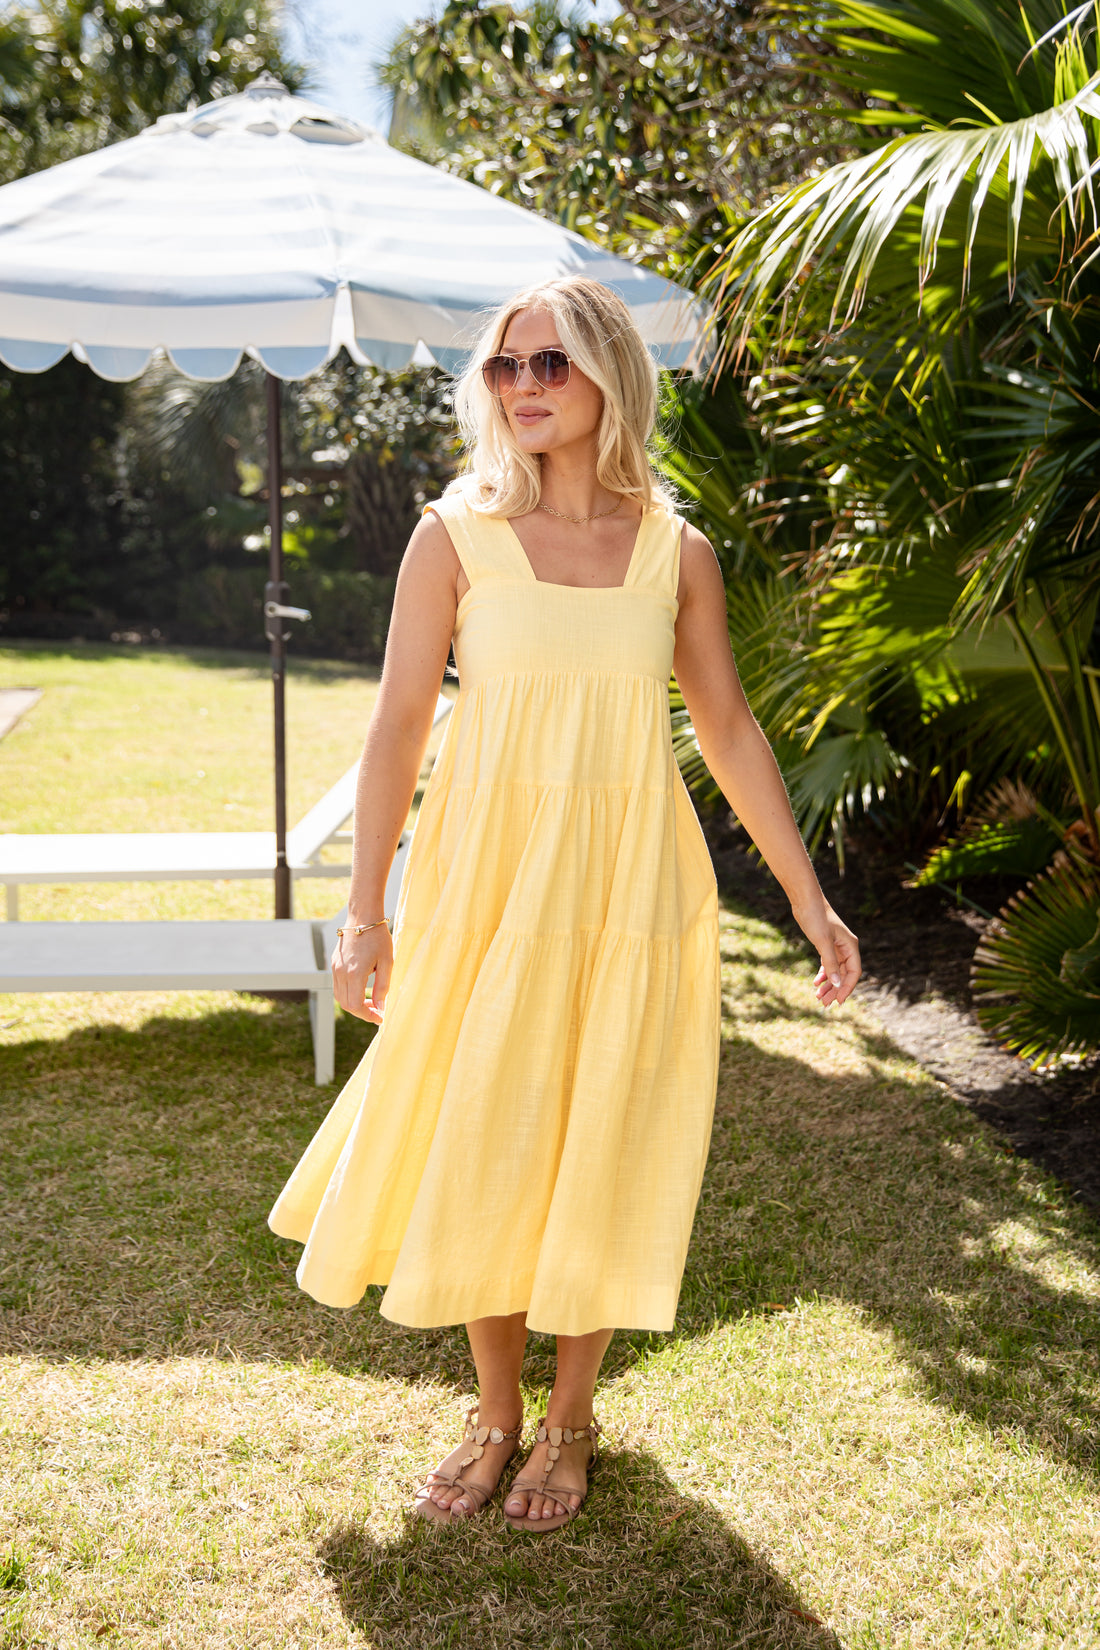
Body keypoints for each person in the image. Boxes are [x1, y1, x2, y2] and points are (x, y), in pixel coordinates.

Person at [268, 274, 861, 1534]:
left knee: (603, 1134)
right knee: (490, 1128)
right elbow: (393, 731)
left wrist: (809, 899)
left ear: (606, 380)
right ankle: (493, 1415)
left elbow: (729, 725)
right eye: (502, 367)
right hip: (484, 883)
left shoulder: (672, 551)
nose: (522, 388)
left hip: (631, 885)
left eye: (548, 365)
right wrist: (363, 913)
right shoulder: (454, 534)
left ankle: (571, 1419)